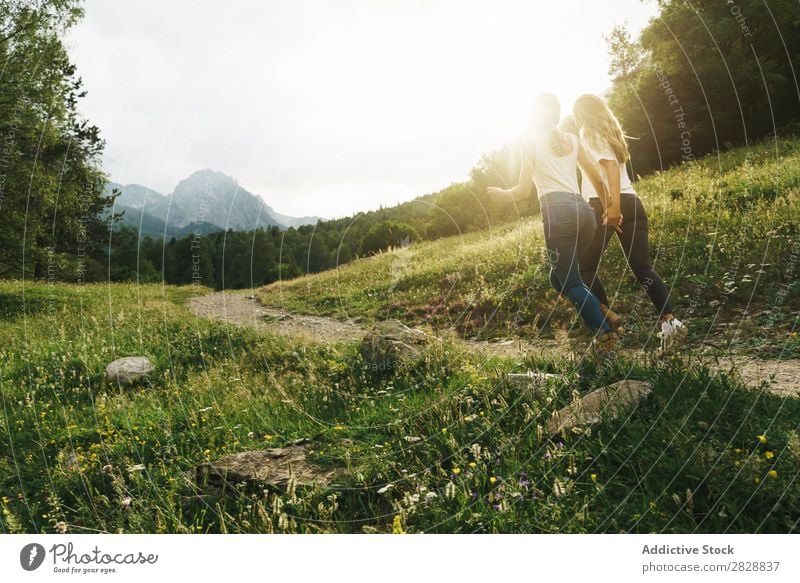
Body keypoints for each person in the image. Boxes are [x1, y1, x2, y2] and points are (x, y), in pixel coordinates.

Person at [488, 93, 618, 354]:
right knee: (557, 277)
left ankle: (605, 336)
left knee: (570, 283)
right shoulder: (572, 139)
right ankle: (605, 311)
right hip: (585, 214)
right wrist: (609, 207)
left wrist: (503, 194)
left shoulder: (529, 143)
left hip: (558, 213)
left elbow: (523, 190)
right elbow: (596, 177)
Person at [571, 94, 687, 352]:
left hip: (605, 205)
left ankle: (608, 326)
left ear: (582, 114)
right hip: (633, 201)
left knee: (584, 269)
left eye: (576, 112)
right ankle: (671, 322)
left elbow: (610, 168)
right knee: (642, 268)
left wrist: (613, 207)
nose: (575, 118)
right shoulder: (612, 136)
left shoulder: (588, 133)